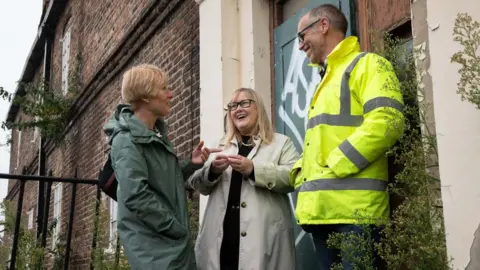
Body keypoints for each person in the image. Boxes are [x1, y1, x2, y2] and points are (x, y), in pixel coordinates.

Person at [290, 4, 405, 269]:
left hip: (356, 216)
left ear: (323, 25)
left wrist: (339, 162)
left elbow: (388, 120)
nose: (299, 46)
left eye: (301, 37)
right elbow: (322, 142)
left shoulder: (366, 65)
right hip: (322, 214)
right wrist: (299, 172)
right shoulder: (326, 80)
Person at [103, 64, 219, 269]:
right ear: (146, 96)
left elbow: (164, 181)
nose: (170, 94)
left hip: (170, 245)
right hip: (155, 250)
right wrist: (175, 228)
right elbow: (136, 195)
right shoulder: (126, 139)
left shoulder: (154, 134)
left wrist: (190, 164)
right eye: (164, 88)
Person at [188, 88, 299, 270]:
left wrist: (254, 169)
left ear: (259, 108)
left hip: (262, 239)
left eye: (244, 103)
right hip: (222, 240)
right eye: (233, 106)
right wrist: (212, 171)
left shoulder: (280, 143)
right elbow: (196, 185)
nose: (238, 109)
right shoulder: (220, 145)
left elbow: (293, 178)